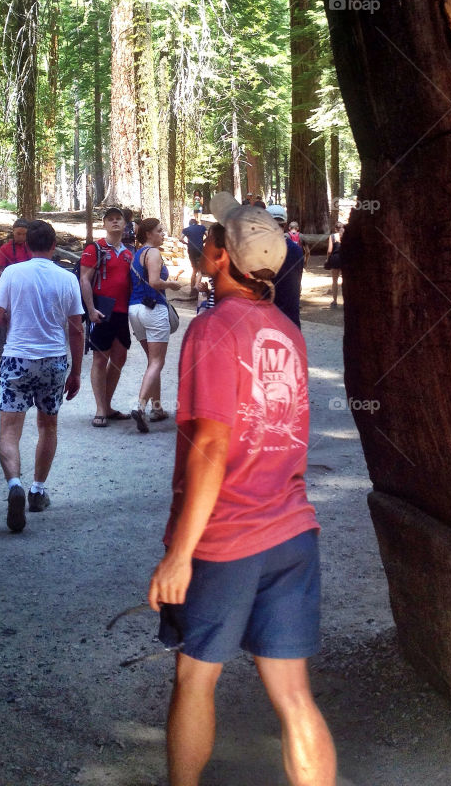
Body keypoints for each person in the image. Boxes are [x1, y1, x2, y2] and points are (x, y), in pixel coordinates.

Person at [148, 194, 335, 786]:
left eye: (210, 238)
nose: (201, 243)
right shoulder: (286, 331)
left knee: (195, 678)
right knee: (294, 694)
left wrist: (180, 553)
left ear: (222, 258)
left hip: (226, 538)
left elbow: (212, 446)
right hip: (292, 530)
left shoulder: (212, 330)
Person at [0, 220, 84, 532]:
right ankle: (37, 490)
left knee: (9, 430)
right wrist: (76, 372)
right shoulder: (67, 277)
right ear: (54, 245)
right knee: (48, 427)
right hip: (54, 360)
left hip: (17, 358)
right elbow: (77, 328)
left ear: (26, 245)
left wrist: (9, 316)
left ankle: (14, 483)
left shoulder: (13, 273)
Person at [81, 207, 134, 427]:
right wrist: (91, 309)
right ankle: (100, 408)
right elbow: (85, 279)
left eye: (118, 219)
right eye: (110, 219)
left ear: (124, 224)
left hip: (123, 311)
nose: (114, 222)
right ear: (104, 224)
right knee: (100, 358)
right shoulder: (96, 248)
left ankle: (108, 405)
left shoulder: (130, 252)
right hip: (103, 309)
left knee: (120, 357)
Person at [129, 218, 183, 432]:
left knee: (153, 362)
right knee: (157, 361)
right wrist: (172, 284)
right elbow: (154, 282)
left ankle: (157, 408)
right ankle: (140, 406)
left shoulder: (137, 254)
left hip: (135, 309)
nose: (163, 234)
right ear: (149, 234)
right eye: (160, 231)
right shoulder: (153, 253)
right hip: (153, 308)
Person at [272, 216, 305, 330]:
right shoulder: (297, 250)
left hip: (271, 314)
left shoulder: (264, 251)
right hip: (291, 315)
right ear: (285, 225)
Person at [180, 217, 206, 294]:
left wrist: (186, 243)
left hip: (191, 250)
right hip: (200, 250)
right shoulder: (202, 228)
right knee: (201, 270)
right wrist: (203, 241)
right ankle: (196, 287)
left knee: (194, 269)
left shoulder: (186, 229)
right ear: (196, 223)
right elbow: (208, 235)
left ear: (189, 224)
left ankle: (192, 290)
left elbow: (180, 239)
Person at [323, 223, 344, 308]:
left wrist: (328, 259)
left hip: (335, 259)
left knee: (335, 281)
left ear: (335, 229)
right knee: (345, 280)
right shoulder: (346, 236)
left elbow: (329, 250)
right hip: (345, 259)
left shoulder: (332, 236)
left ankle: (335, 301)